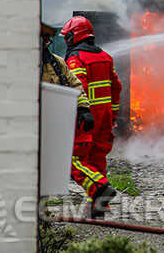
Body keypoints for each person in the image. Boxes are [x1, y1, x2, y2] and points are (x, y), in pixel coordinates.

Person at [62, 16, 121, 219]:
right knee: (97, 160)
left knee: (74, 160)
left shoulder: (76, 59)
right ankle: (99, 207)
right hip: (104, 118)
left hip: (86, 118)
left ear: (73, 36)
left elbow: (79, 86)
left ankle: (100, 188)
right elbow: (116, 88)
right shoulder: (106, 57)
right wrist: (112, 115)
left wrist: (75, 112)